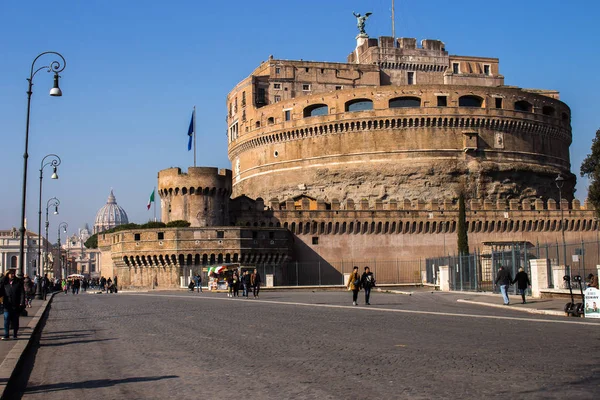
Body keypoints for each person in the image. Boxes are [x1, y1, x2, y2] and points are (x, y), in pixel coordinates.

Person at [0, 270, 25, 340]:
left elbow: (22, 293)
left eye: (13, 274)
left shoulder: (18, 282)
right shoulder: (5, 283)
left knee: (15, 320)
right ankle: (6, 334)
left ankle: (15, 334)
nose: (12, 275)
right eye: (11, 274)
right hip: (7, 304)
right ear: (7, 275)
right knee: (6, 319)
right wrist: (3, 278)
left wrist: (21, 302)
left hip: (16, 304)